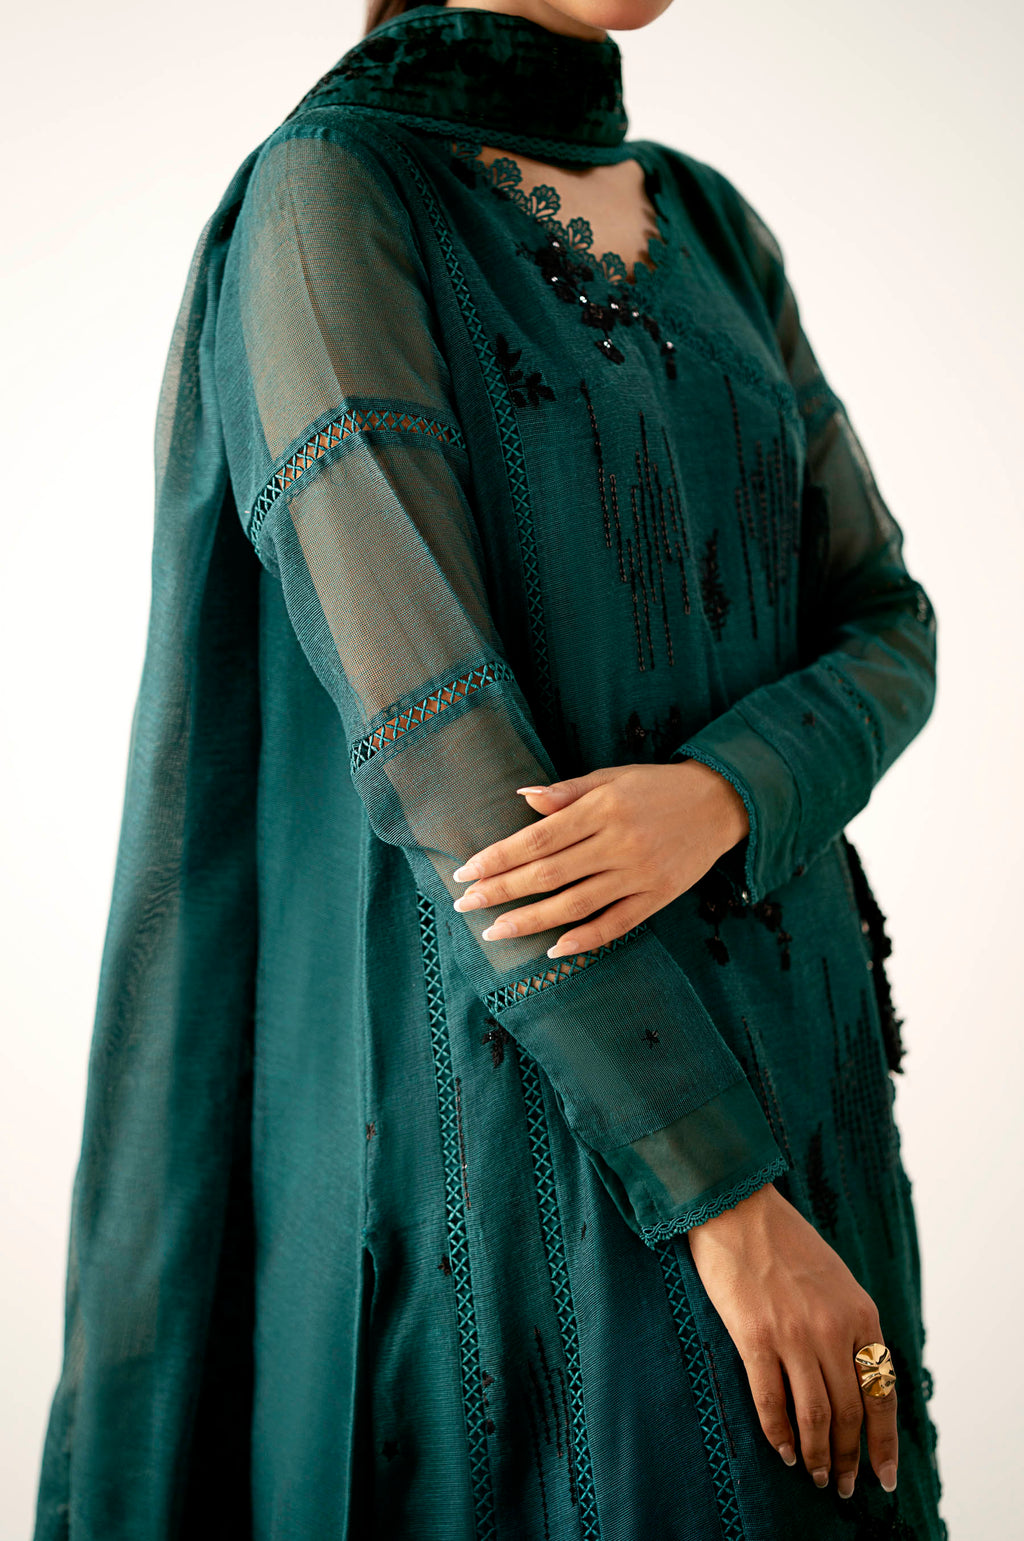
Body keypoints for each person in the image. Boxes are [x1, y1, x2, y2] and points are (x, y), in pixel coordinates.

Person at [33, 2, 946, 1537]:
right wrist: (724, 1198)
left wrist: (724, 793)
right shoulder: (334, 194)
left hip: (814, 1087)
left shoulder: (715, 227)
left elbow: (888, 622)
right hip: (540, 1129)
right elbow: (442, 752)